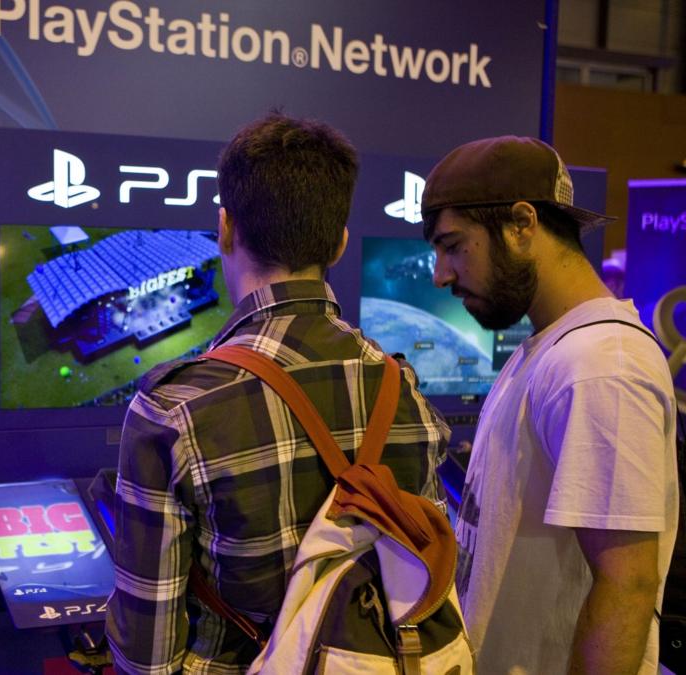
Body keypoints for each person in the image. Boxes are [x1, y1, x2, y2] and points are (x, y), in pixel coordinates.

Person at [105, 112, 449, 674]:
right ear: (339, 244)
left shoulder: (174, 409)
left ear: (225, 229)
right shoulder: (403, 388)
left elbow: (146, 655)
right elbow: (424, 577)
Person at [421, 135, 679, 674]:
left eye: (453, 245)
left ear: (522, 224)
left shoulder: (601, 364)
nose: (441, 274)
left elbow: (628, 586)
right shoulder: (554, 348)